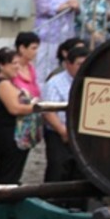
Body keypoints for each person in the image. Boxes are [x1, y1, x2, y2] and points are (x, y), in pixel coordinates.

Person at [0, 46, 38, 186]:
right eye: (13, 63)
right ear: (1, 65)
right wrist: (36, 107)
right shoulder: (2, 84)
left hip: (13, 133)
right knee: (7, 173)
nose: (17, 67)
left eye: (18, 63)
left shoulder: (8, 83)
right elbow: (14, 109)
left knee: (12, 173)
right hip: (9, 134)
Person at [42, 39, 88, 184]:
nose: (83, 68)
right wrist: (63, 131)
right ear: (68, 64)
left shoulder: (90, 81)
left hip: (82, 135)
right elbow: (49, 111)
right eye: (79, 64)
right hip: (59, 134)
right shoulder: (55, 83)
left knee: (80, 172)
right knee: (58, 169)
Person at [34, 0, 80, 82]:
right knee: (43, 66)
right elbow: (44, 8)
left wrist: (76, 6)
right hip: (47, 35)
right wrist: (66, 5)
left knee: (59, 65)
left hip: (63, 36)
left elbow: (76, 10)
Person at [13, 31, 42, 99]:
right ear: (22, 48)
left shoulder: (31, 69)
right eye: (33, 48)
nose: (36, 52)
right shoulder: (12, 68)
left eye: (37, 48)